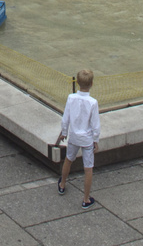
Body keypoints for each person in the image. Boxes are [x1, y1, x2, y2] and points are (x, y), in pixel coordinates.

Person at [56, 68, 100, 208]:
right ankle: (86, 199)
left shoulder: (71, 98)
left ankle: (62, 184)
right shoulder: (93, 103)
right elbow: (95, 125)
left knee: (68, 159)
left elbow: (65, 118)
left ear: (77, 82)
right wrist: (95, 140)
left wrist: (64, 132)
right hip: (86, 139)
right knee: (88, 168)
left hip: (74, 136)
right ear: (91, 84)